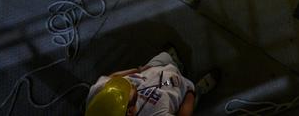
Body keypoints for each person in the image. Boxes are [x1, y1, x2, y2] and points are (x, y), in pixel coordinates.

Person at [85, 49, 217, 116]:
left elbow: (113, 77)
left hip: (152, 70)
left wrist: (139, 70)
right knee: (192, 95)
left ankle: (175, 64)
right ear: (130, 111)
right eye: (126, 90)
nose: (128, 84)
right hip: (180, 92)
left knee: (165, 56)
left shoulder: (96, 102)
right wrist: (190, 93)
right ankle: (198, 90)